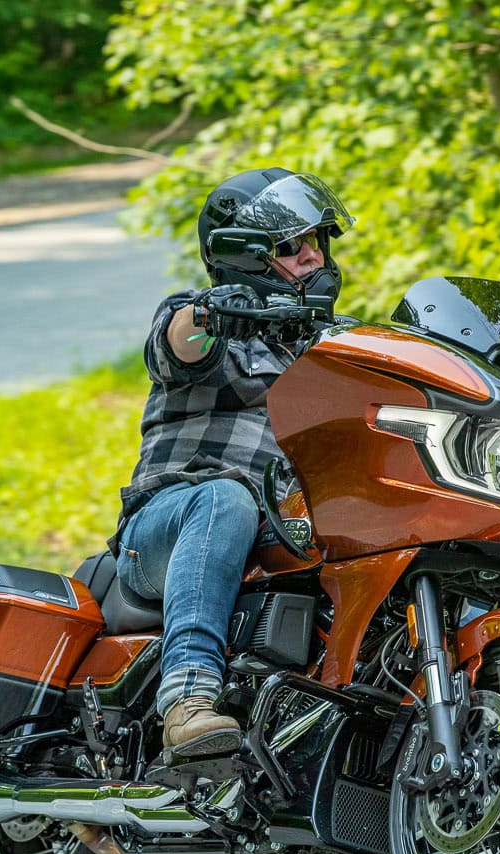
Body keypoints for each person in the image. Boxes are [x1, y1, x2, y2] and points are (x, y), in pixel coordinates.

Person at [108, 168, 354, 758]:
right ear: (245, 255)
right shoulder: (205, 319)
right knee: (225, 497)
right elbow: (178, 343)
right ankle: (188, 697)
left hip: (282, 533)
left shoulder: (334, 353)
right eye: (291, 245)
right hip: (165, 529)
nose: (312, 257)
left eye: (318, 241)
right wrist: (216, 313)